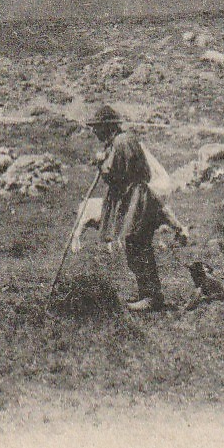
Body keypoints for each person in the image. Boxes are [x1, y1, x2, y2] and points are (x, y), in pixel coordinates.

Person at [86, 104, 187, 312]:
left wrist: (101, 163)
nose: (93, 131)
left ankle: (151, 297)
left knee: (138, 245)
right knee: (135, 245)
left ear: (107, 126)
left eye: (96, 127)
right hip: (130, 198)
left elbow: (115, 172)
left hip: (136, 200)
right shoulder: (118, 142)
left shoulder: (123, 142)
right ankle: (146, 293)